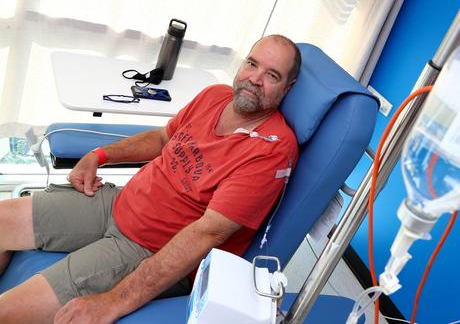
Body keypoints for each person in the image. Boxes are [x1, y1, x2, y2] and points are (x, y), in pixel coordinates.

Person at [0, 34, 301, 323]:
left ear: (289, 88)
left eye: (272, 75)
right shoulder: (215, 96)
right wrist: (99, 155)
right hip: (118, 202)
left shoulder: (271, 150)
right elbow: (162, 138)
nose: (254, 78)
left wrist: (113, 302)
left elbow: (206, 234)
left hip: (147, 249)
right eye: (252, 63)